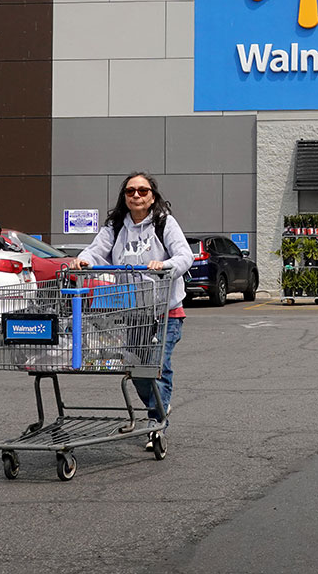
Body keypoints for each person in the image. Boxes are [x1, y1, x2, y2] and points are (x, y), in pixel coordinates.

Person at [70, 172, 193, 447]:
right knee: (137, 369)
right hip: (135, 313)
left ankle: (155, 421)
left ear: (152, 196)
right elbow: (95, 250)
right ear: (124, 197)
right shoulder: (115, 227)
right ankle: (159, 407)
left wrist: (166, 265)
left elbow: (185, 256)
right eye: (130, 191)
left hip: (165, 311)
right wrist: (83, 261)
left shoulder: (164, 224)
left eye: (142, 191)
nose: (136, 195)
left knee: (157, 366)